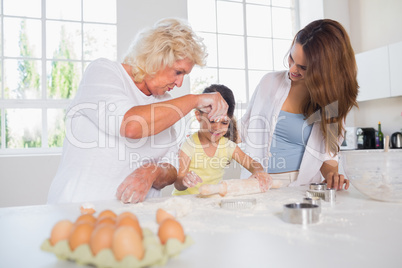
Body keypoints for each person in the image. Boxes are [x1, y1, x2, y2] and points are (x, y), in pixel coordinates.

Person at [47, 18, 229, 204]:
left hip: (134, 219)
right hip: (77, 212)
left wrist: (153, 170)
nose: (179, 83)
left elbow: (172, 168)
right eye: (178, 72)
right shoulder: (104, 72)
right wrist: (194, 99)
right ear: (157, 58)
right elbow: (131, 126)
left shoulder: (166, 105)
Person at [240, 19, 359, 190]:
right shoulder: (269, 82)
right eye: (291, 58)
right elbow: (245, 129)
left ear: (323, 71)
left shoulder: (331, 103)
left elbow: (328, 156)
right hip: (256, 183)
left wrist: (332, 175)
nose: (292, 70)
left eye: (303, 67)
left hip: (301, 188)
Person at [173, 84, 272, 195]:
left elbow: (252, 164)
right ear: (198, 116)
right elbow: (178, 183)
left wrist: (258, 172)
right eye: (212, 121)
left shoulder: (228, 146)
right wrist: (185, 181)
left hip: (209, 202)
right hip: (185, 202)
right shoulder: (189, 145)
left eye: (224, 123)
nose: (217, 128)